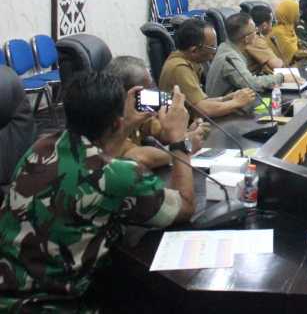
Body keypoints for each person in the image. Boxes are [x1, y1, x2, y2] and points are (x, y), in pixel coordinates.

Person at [0, 72, 195, 306]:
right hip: (49, 306)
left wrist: (124, 126)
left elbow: (95, 160)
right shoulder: (120, 176)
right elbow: (185, 206)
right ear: (116, 122)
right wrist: (179, 140)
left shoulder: (39, 147)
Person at [105, 55, 208, 170]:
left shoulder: (139, 110)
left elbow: (162, 133)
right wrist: (184, 147)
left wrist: (183, 131)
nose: (153, 94)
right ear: (128, 93)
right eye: (147, 89)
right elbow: (142, 158)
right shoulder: (109, 122)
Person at [158, 18, 255, 118]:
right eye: (212, 47)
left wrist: (226, 98)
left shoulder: (187, 60)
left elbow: (200, 101)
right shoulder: (179, 68)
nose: (215, 51)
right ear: (194, 50)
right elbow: (203, 110)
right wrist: (236, 103)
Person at [206, 12, 285, 97]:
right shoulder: (230, 57)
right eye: (255, 31)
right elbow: (252, 84)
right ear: (247, 38)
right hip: (223, 104)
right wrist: (281, 77)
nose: (257, 32)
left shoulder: (226, 46)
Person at [271, 0, 307, 65]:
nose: (299, 14)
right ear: (289, 13)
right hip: (284, 68)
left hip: (295, 64)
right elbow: (293, 54)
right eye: (296, 12)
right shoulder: (278, 32)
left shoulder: (290, 28)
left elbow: (301, 47)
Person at [246, 4, 284, 75]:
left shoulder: (251, 35)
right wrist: (280, 60)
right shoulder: (254, 39)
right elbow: (277, 65)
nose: (272, 25)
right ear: (264, 25)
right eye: (271, 22)